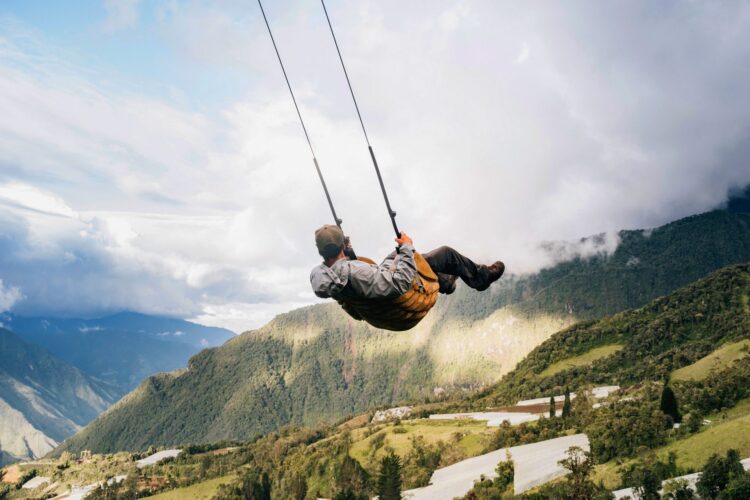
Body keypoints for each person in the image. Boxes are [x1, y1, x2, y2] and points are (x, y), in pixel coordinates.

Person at [310, 224, 504, 300]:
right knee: (446, 254)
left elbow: (349, 275)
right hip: (396, 289)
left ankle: (445, 282)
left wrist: (349, 256)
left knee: (397, 254)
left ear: (321, 251)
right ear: (340, 246)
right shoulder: (356, 273)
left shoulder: (321, 276)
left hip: (376, 279)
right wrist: (407, 248)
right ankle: (480, 278)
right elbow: (399, 282)